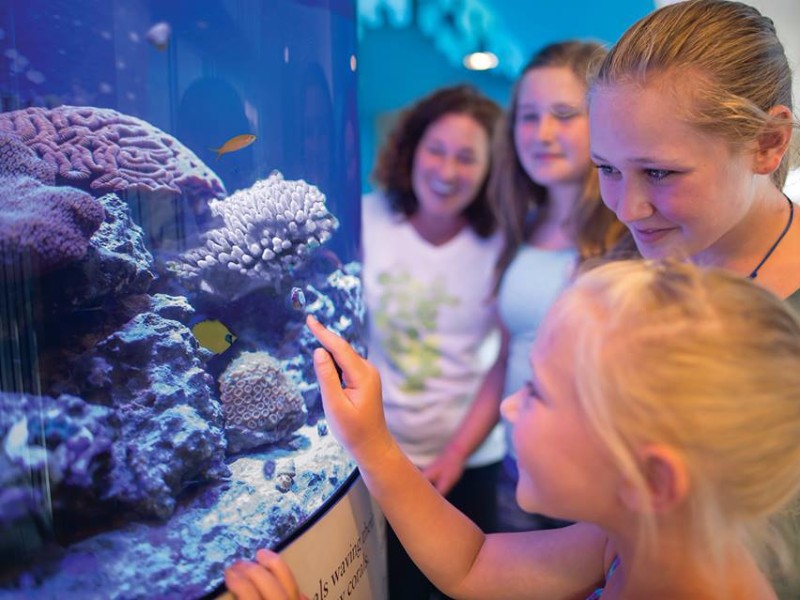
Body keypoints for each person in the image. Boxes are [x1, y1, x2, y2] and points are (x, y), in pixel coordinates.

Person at [226, 259, 800, 599]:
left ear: (650, 477)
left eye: (538, 392)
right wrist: (372, 443)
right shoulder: (636, 542)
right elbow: (473, 565)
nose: (508, 407)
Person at [360, 84, 505, 599]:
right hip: (374, 460)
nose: (447, 172)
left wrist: (457, 453)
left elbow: (504, 363)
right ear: (412, 148)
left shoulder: (503, 243)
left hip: (469, 463)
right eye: (437, 150)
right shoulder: (367, 219)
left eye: (467, 158)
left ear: (492, 167)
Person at [486, 40, 627, 532]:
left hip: (598, 492)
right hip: (517, 475)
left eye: (564, 114)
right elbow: (505, 357)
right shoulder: (520, 224)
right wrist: (455, 454)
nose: (542, 133)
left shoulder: (634, 232)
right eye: (528, 116)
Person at [589, 0, 800, 304]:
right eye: (608, 169)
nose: (627, 211)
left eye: (658, 172)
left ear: (767, 142)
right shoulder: (620, 268)